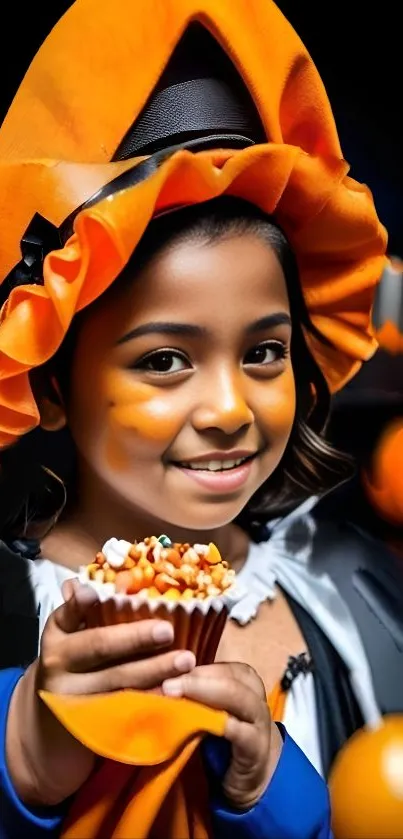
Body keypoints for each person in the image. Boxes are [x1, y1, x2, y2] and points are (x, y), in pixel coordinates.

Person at [0, 0, 398, 836]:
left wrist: (264, 788)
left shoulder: (345, 591)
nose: (227, 409)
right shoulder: (9, 603)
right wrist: (25, 755)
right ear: (57, 382)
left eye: (263, 352)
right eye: (163, 360)